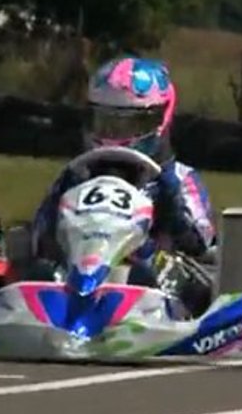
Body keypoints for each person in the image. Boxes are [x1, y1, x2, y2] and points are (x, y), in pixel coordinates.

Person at [29, 56, 217, 283]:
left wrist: (169, 205)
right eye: (106, 122)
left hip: (153, 290)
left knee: (152, 274)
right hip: (81, 276)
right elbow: (39, 236)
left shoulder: (180, 179)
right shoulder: (78, 174)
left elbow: (201, 243)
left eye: (131, 124)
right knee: (40, 272)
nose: (115, 134)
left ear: (160, 119)